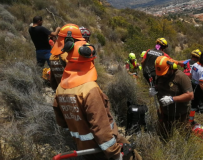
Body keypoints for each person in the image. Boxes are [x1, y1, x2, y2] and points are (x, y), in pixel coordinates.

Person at [52, 27, 142, 160]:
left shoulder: (60, 89)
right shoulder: (90, 89)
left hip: (84, 150)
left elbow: (62, 122)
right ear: (88, 61)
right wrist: (116, 154)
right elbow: (101, 128)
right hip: (104, 150)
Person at [151, 56, 193, 139]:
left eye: (165, 72)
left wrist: (172, 99)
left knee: (184, 136)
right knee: (164, 136)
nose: (163, 75)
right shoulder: (160, 74)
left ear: (171, 67)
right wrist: (154, 89)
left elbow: (190, 95)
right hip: (165, 113)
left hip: (181, 114)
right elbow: (158, 85)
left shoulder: (181, 77)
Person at [49, 24, 85, 91]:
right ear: (69, 40)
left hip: (60, 92)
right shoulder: (68, 57)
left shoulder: (52, 57)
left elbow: (53, 81)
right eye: (76, 40)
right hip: (73, 91)